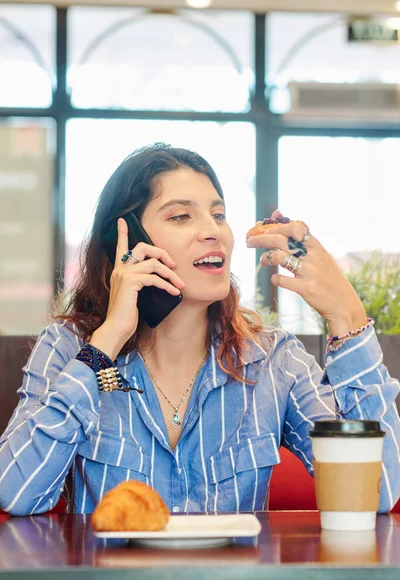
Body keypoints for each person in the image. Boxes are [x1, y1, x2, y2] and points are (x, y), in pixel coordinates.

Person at [0, 143, 399, 516]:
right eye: (180, 216)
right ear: (126, 242)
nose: (214, 231)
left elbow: (377, 491)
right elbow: (16, 493)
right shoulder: (70, 348)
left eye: (219, 214)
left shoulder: (274, 361)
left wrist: (347, 314)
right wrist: (109, 337)